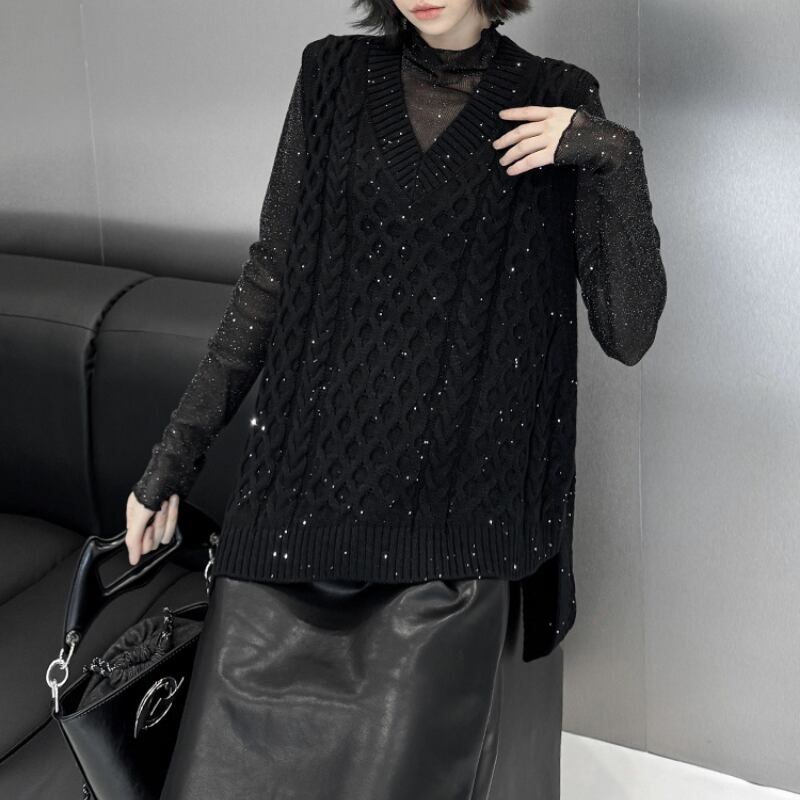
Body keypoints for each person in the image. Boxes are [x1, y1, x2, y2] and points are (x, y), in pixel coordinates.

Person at [126, 1, 667, 797]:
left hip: (452, 544)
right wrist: (170, 461)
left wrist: (612, 153)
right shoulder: (331, 75)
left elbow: (628, 331)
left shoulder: (555, 97)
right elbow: (270, 279)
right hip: (293, 521)